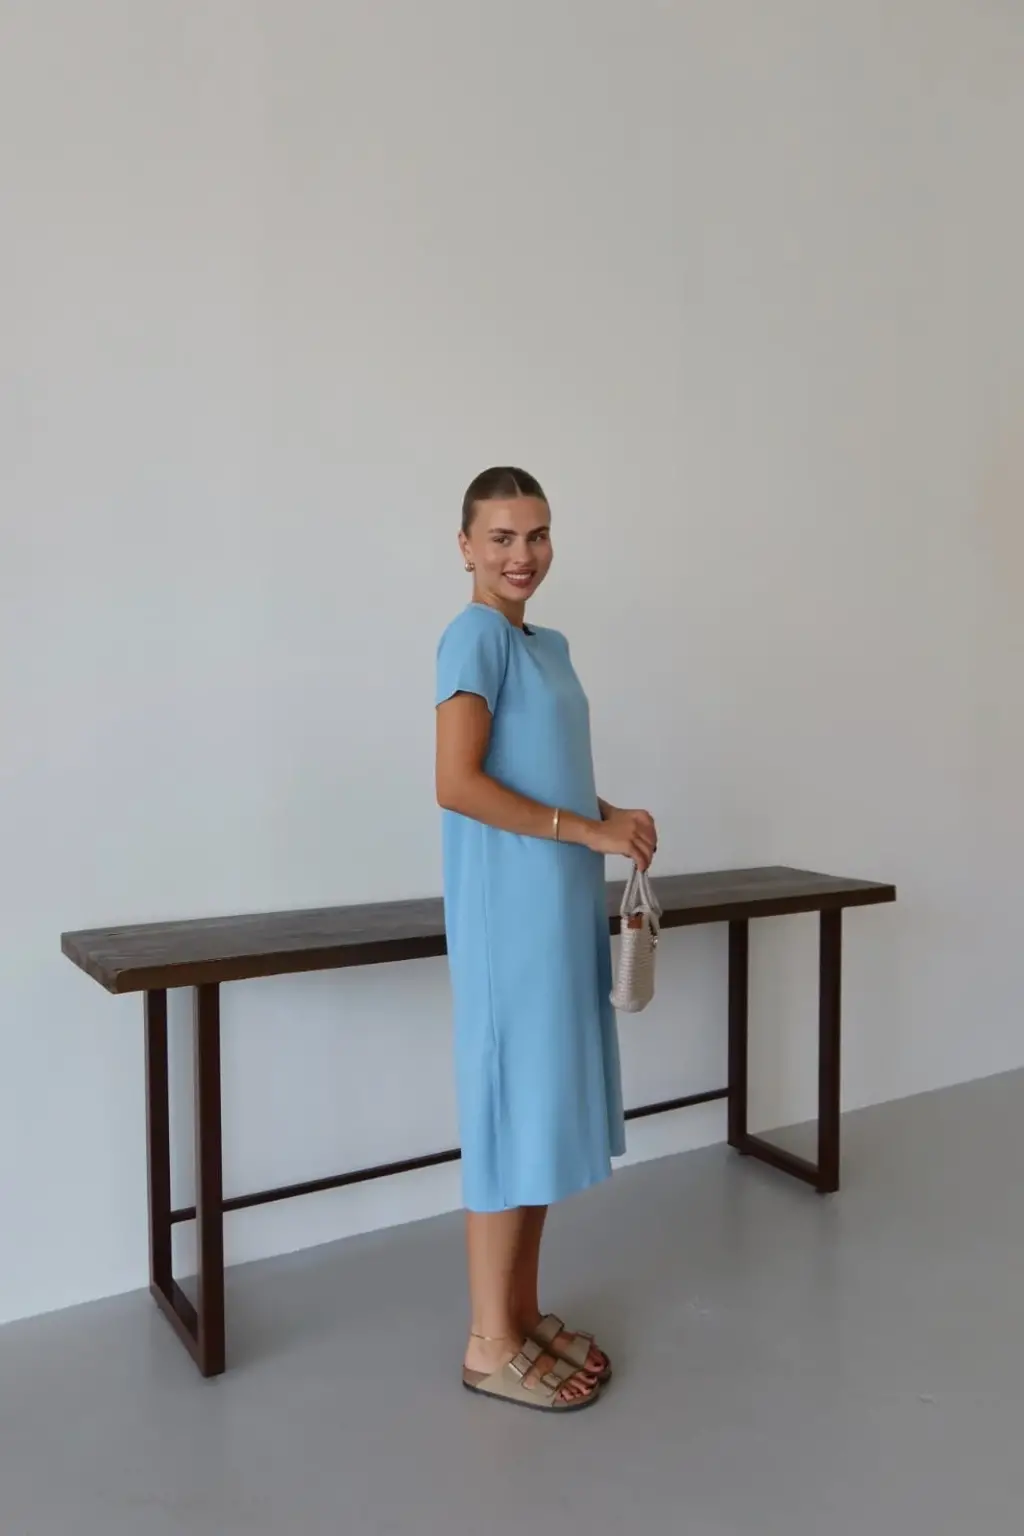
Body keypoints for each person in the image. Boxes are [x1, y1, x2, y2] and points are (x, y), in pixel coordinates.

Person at [435, 466, 658, 1413]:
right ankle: (488, 1343)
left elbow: (545, 771)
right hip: (511, 915)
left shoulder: (546, 644)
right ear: (466, 547)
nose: (521, 555)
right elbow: (457, 783)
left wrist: (611, 817)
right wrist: (587, 833)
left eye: (536, 534)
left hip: (557, 904)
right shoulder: (473, 636)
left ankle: (521, 1317)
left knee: (535, 1109)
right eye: (501, 537)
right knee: (507, 1110)